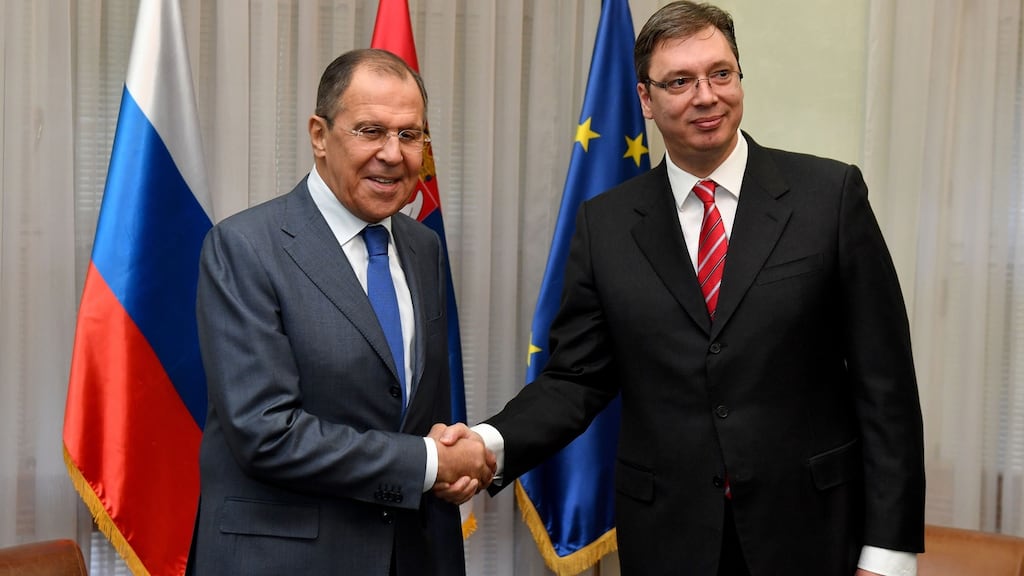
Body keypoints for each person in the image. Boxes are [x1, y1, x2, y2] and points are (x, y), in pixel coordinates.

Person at [440, 2, 925, 574]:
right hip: (669, 540)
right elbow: (576, 378)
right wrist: (487, 446)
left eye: (721, 73)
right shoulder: (608, 224)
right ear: (646, 100)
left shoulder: (830, 197)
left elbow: (885, 384)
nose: (706, 95)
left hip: (810, 534)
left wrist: (889, 551)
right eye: (679, 81)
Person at [187, 48, 494, 576]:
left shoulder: (423, 248)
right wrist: (429, 462)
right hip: (285, 559)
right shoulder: (244, 247)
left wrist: (454, 462)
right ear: (319, 135)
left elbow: (415, 408)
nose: (393, 154)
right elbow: (266, 433)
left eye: (409, 134)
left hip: (413, 553)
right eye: (370, 131)